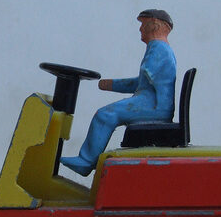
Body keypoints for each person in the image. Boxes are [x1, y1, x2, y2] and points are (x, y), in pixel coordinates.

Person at [61, 9, 177, 176]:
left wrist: (160, 107)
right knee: (107, 114)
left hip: (154, 105)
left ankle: (85, 162)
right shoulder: (159, 48)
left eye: (143, 24)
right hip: (154, 102)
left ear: (155, 25)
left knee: (105, 115)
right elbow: (143, 82)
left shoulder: (158, 49)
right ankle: (85, 160)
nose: (140, 29)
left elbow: (148, 83)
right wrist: (111, 85)